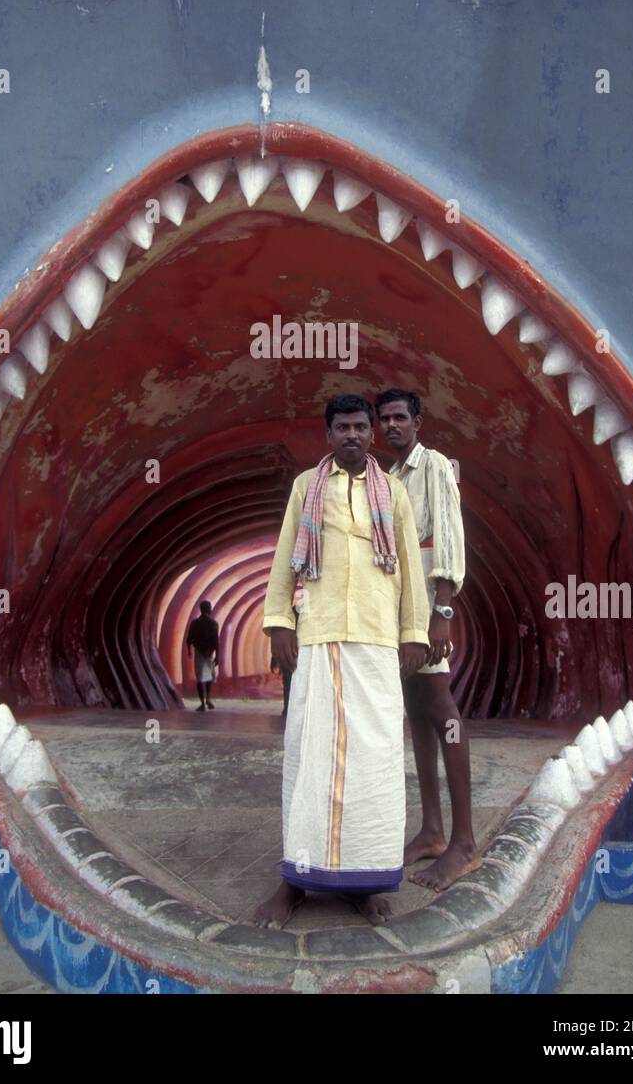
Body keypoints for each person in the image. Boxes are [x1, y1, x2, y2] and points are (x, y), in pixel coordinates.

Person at [254, 394, 430, 930]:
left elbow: (408, 568)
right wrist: (280, 621)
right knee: (312, 758)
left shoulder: (394, 492)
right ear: (328, 436)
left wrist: (414, 631)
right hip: (321, 634)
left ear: (371, 434)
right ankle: (296, 881)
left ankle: (367, 882)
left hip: (377, 641)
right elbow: (287, 555)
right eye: (342, 428)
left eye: (360, 426)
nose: (352, 435)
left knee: (374, 767)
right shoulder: (307, 488)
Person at [376, 387, 480, 892]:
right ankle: (432, 830)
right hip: (404, 615)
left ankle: (464, 843)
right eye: (385, 419)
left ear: (417, 421)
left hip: (428, 613)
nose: (391, 426)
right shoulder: (391, 477)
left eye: (399, 417)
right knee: (417, 714)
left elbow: (449, 535)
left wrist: (443, 610)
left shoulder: (434, 466)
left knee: (443, 711)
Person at [186, 600, 219, 712]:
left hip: (199, 652)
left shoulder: (195, 623)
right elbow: (216, 641)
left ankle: (202, 704)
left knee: (200, 678)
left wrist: (189, 651)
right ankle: (208, 698)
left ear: (200, 609)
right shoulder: (213, 623)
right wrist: (217, 655)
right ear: (209, 609)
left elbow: (189, 639)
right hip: (210, 653)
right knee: (209, 676)